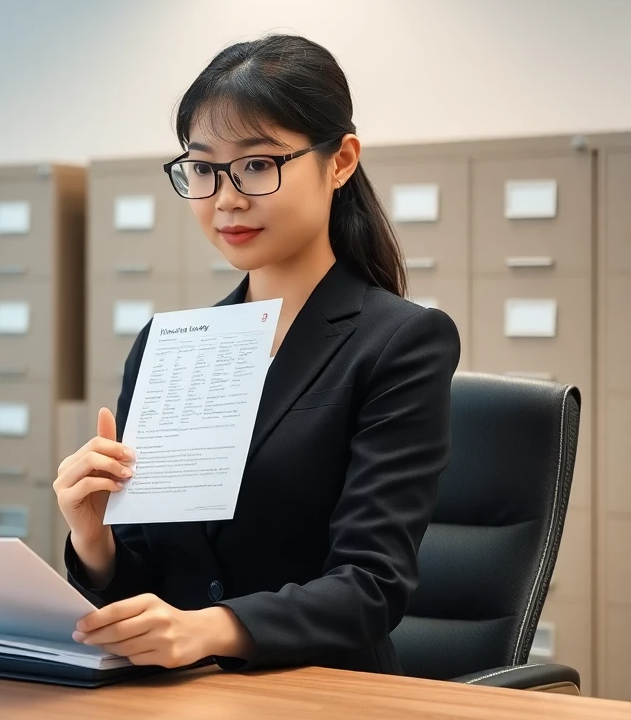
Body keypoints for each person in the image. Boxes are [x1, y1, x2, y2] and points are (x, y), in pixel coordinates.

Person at [55, 34, 460, 675]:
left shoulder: (400, 342)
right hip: (177, 699)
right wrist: (94, 537)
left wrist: (211, 630)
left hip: (321, 697)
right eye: (205, 168)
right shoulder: (171, 346)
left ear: (340, 161)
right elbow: (151, 578)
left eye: (257, 164)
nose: (227, 199)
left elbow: (370, 586)